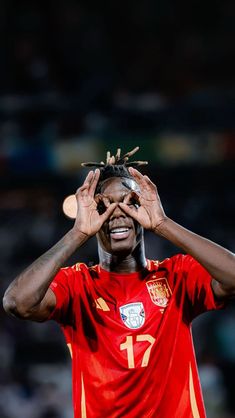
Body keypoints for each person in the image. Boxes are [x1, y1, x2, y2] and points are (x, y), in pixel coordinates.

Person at [3, 147, 235, 418]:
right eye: (104, 206)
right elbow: (17, 302)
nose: (117, 213)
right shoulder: (77, 284)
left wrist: (162, 223)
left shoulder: (177, 275)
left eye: (129, 202)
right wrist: (77, 233)